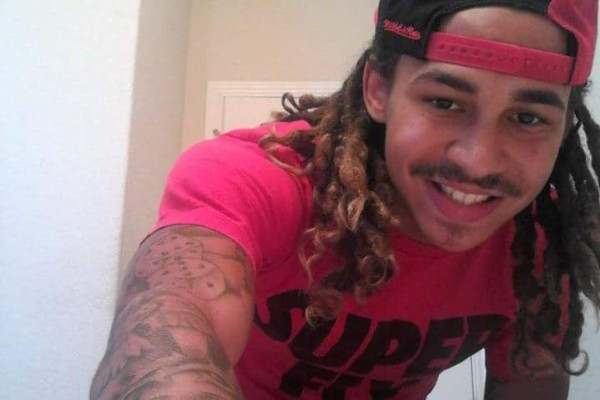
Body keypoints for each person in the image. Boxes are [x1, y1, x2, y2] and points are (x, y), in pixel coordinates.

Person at [91, 0, 600, 399]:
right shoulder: (252, 178)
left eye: (528, 118)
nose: (479, 160)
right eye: (444, 102)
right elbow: (162, 342)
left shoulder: (538, 245)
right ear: (379, 89)